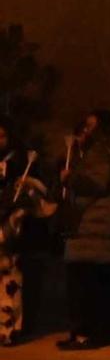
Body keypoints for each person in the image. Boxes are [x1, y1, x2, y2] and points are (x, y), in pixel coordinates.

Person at [56, 111, 110, 351]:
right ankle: (98, 332)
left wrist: (70, 178)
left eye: (91, 126)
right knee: (98, 283)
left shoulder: (105, 150)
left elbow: (95, 182)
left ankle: (91, 333)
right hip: (101, 227)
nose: (86, 131)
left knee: (90, 284)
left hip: (98, 227)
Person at [0, 124, 53, 347]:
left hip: (13, 231)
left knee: (11, 282)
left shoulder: (22, 163)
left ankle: (9, 329)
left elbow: (38, 195)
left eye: (1, 135)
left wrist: (26, 187)